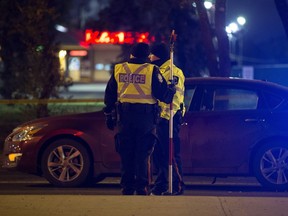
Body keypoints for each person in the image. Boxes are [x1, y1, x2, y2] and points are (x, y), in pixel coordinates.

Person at [103, 42, 176, 195]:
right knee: (143, 154)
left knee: (126, 153)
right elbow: (163, 95)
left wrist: (109, 114)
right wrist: (171, 89)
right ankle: (142, 187)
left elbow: (109, 95)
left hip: (124, 117)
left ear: (132, 54)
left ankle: (127, 187)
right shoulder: (152, 70)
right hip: (145, 119)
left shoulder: (119, 69)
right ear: (147, 56)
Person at [149, 42, 186, 195]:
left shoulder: (172, 72)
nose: (149, 57)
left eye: (152, 54)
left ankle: (177, 185)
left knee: (170, 154)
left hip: (167, 119)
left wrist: (163, 117)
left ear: (158, 56)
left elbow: (175, 100)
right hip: (158, 120)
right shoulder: (158, 70)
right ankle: (162, 184)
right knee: (159, 156)